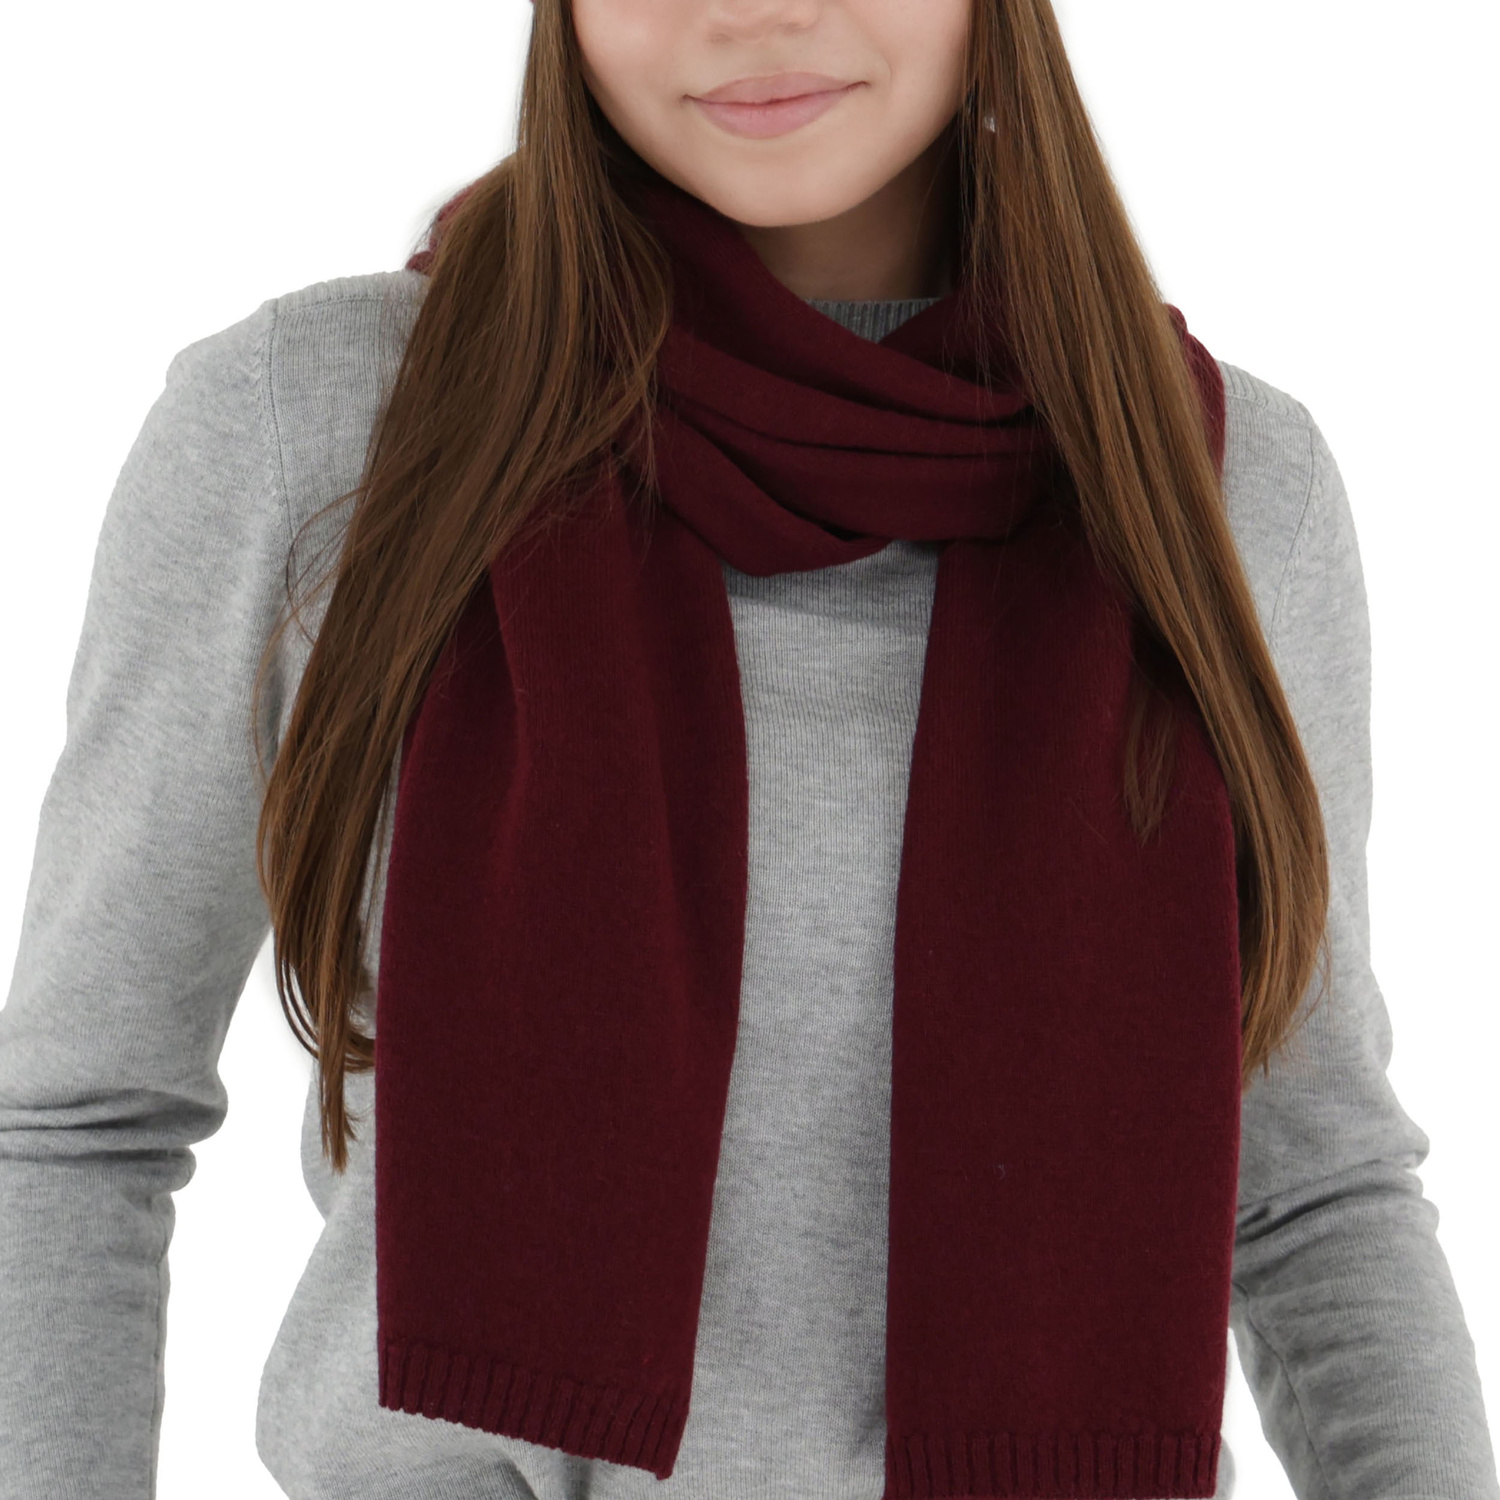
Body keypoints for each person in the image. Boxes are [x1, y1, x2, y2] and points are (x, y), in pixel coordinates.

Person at [1, 0, 1496, 1497]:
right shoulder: (319, 431)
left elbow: (1314, 1190)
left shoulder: (1224, 497)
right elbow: (76, 1119)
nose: (755, 13)